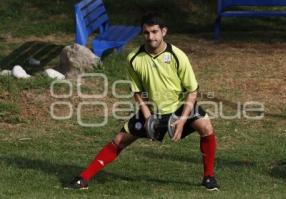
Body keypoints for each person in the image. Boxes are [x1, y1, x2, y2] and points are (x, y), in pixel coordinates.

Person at [65, 12, 219, 191]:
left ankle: (209, 177)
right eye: (146, 33)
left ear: (164, 32)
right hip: (153, 110)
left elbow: (192, 91)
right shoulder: (134, 58)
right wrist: (147, 115)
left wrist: (183, 119)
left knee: (206, 127)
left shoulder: (178, 56)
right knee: (120, 140)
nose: (151, 37)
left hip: (179, 107)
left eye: (155, 32)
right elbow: (136, 91)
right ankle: (83, 179)